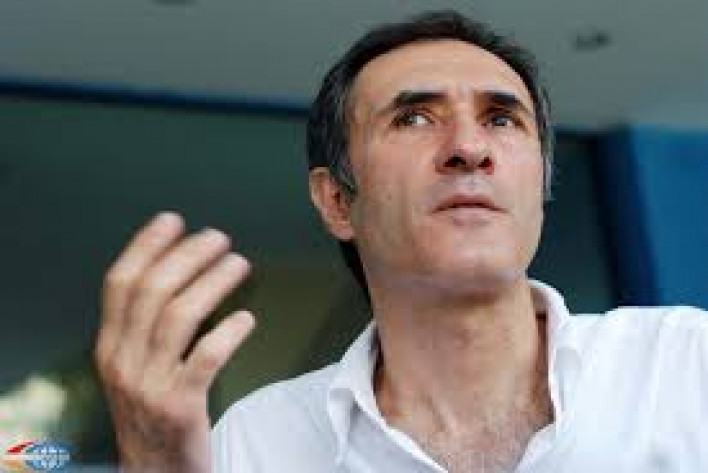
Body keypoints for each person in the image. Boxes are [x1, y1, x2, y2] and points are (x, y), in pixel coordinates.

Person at [94, 10, 708, 473]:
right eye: (413, 118)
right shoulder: (258, 442)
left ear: (540, 185)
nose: (469, 148)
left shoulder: (684, 365)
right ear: (337, 201)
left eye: (501, 118)